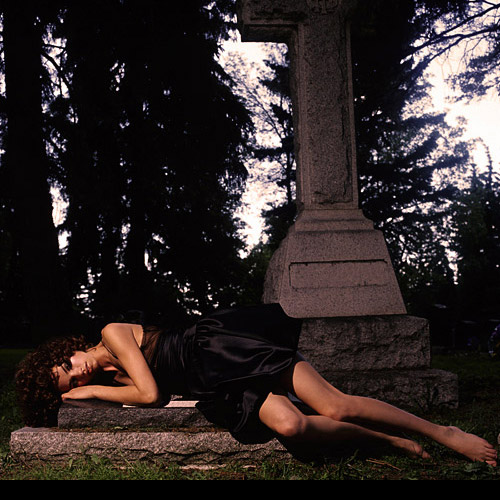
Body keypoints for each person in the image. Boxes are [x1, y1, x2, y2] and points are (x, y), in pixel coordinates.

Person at [15, 303, 497, 466]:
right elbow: (148, 396)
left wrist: (92, 391)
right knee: (292, 426)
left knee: (334, 405)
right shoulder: (109, 375)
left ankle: (442, 433)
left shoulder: (111, 334)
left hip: (224, 351)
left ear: (66, 349)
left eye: (68, 366)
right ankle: (384, 439)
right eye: (70, 381)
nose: (79, 373)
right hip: (212, 385)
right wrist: (84, 394)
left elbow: (150, 395)